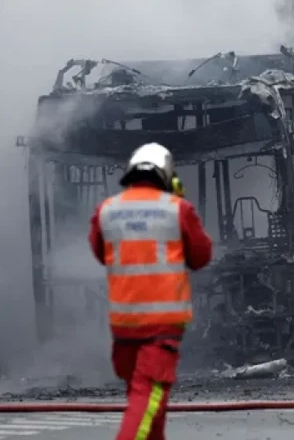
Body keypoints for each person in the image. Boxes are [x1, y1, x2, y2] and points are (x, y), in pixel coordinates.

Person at [88, 142, 213, 440]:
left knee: (150, 405)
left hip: (123, 330)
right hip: (160, 329)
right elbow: (201, 256)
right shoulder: (177, 210)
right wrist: (179, 201)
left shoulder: (107, 211)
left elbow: (99, 251)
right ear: (167, 176)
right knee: (146, 402)